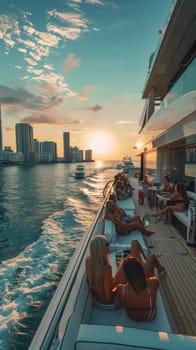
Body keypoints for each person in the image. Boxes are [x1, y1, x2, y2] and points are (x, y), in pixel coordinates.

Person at [86, 236, 164, 309]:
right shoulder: (106, 268)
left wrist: (113, 279)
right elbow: (109, 296)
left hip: (98, 301)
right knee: (129, 264)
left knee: (126, 263)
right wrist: (121, 286)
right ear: (101, 251)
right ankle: (150, 277)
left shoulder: (89, 261)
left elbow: (95, 284)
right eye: (107, 249)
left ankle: (143, 269)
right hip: (110, 302)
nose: (108, 251)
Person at [85, 235, 114, 304]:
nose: (109, 247)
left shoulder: (88, 260)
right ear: (102, 249)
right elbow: (109, 296)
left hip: (97, 298)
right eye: (107, 245)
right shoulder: (107, 268)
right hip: (106, 301)